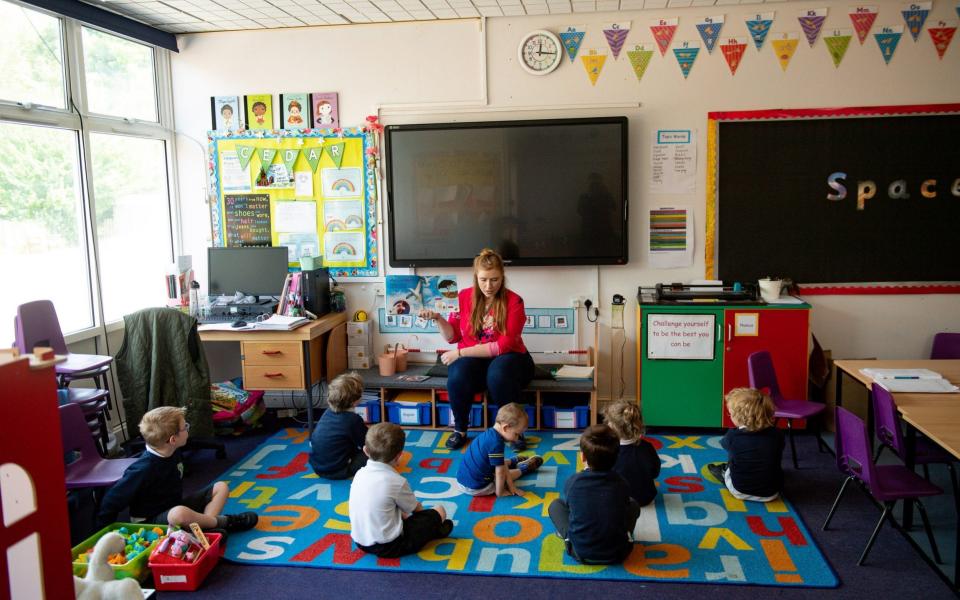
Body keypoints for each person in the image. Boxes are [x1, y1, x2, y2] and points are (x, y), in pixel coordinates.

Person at [418, 248, 534, 450]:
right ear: (476, 278)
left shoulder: (514, 301)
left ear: (502, 278)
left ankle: (513, 429)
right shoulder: (462, 297)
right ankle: (460, 429)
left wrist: (460, 353)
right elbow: (452, 337)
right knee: (458, 374)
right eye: (483, 280)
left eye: (495, 280)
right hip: (477, 362)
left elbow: (502, 346)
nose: (489, 286)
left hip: (512, 359)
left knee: (497, 374)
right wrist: (438, 318)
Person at [97, 406, 258, 531]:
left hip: (174, 507)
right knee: (179, 513)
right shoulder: (143, 469)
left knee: (221, 487)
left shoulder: (173, 451)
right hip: (151, 523)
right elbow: (111, 501)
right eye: (185, 427)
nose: (188, 428)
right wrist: (103, 534)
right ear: (173, 439)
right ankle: (223, 522)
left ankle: (206, 528)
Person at [349, 423, 453, 557]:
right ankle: (432, 532)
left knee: (395, 508)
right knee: (439, 510)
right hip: (390, 546)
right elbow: (417, 510)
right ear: (399, 455)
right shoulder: (396, 481)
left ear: (365, 451)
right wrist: (430, 520)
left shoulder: (359, 474)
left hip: (360, 541)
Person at [548, 424, 639, 564]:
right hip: (619, 552)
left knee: (555, 505)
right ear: (616, 457)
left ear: (582, 457)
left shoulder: (573, 482)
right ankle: (626, 535)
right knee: (633, 504)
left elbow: (572, 508)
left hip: (580, 552)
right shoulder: (622, 482)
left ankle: (567, 537)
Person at [707, 387, 785, 502]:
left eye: (731, 415)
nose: (730, 417)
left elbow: (725, 445)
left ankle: (724, 473)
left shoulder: (733, 436)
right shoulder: (778, 434)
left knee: (733, 459)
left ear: (740, 418)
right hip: (772, 493)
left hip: (740, 491)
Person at [455, 403, 543, 497]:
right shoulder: (496, 444)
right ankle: (523, 469)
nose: (517, 439)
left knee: (498, 461)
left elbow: (499, 465)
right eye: (517, 434)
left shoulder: (489, 433)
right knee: (501, 475)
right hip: (475, 487)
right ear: (505, 428)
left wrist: (511, 486)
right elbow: (500, 473)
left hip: (461, 479)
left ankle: (512, 461)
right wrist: (500, 492)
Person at [309, 372, 368, 479]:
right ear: (355, 400)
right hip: (339, 470)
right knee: (375, 454)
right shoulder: (353, 420)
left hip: (318, 468)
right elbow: (368, 444)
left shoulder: (327, 412)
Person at [603, 400, 661, 506]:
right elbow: (655, 473)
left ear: (613, 428)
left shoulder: (607, 450)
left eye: (609, 422)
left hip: (618, 500)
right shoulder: (648, 447)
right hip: (645, 497)